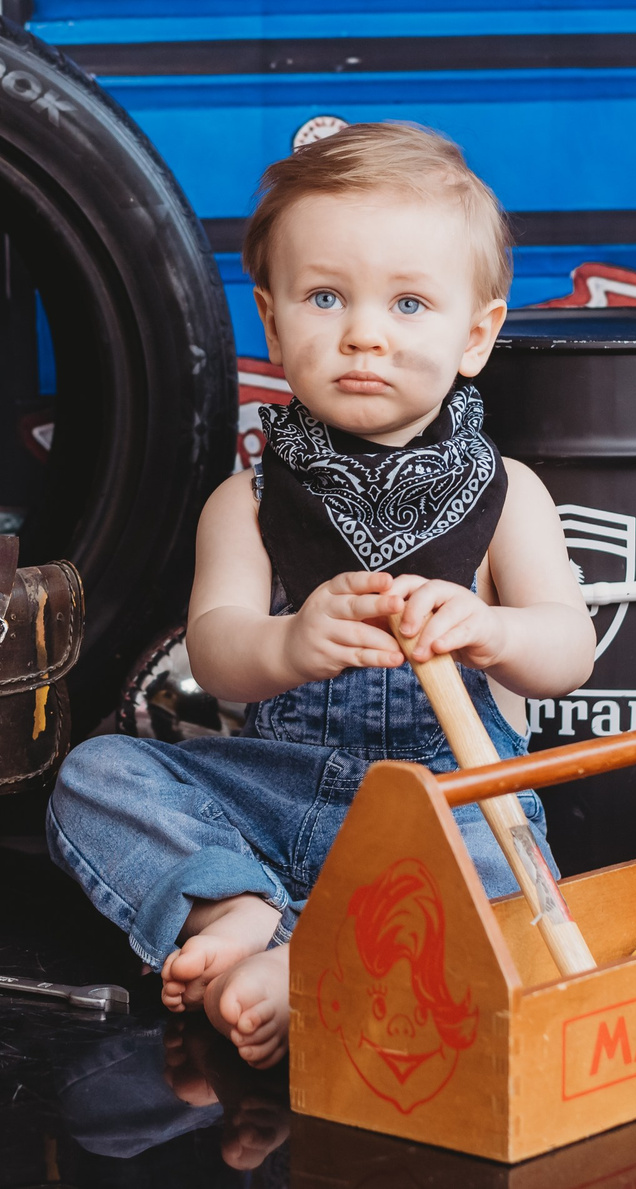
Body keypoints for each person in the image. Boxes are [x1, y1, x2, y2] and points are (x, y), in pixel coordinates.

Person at [45, 121, 593, 1066]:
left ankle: (302, 969)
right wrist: (293, 643)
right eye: (325, 296)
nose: (363, 334)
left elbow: (567, 657)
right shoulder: (249, 501)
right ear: (271, 317)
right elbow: (218, 652)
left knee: (505, 867)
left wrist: (490, 626)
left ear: (477, 334)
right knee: (96, 775)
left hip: (439, 797)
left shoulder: (510, 496)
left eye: (410, 303)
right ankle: (236, 903)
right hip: (275, 789)